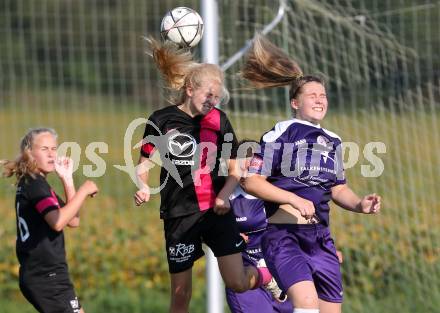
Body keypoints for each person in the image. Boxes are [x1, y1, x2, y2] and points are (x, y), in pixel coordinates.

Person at [240, 35, 381, 313]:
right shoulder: (282, 132)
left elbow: (338, 188)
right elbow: (251, 181)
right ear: (295, 103)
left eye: (323, 95)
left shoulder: (334, 141)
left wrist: (360, 205)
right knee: (305, 304)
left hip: (321, 238)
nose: (320, 100)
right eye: (312, 95)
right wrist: (292, 199)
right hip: (284, 235)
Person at [133, 38, 273, 313]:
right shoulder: (161, 120)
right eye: (208, 95)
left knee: (237, 282)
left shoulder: (219, 121)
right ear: (189, 89)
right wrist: (142, 186)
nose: (212, 102)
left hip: (215, 212)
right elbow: (143, 164)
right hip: (179, 214)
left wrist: (223, 196)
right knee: (181, 296)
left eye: (216, 97)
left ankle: (270, 277)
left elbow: (235, 170)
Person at [1, 128, 98, 313]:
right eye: (44, 149)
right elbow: (58, 222)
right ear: (29, 153)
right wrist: (84, 190)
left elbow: (73, 220)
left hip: (49, 275)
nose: (52, 154)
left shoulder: (38, 183)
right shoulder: (35, 184)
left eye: (54, 148)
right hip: (46, 276)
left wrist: (68, 180)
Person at [226, 140, 292, 313]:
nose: (248, 163)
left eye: (253, 158)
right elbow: (204, 228)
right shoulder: (226, 195)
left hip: (284, 274)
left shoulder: (278, 190)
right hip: (247, 278)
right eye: (243, 158)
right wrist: (227, 236)